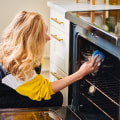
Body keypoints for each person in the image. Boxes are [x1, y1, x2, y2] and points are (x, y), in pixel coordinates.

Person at [0, 11, 99, 108]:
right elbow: (44, 90)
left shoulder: (14, 47)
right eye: (43, 35)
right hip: (4, 100)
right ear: (32, 41)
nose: (49, 38)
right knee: (55, 98)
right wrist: (80, 73)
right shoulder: (15, 68)